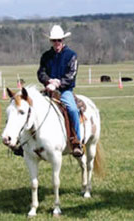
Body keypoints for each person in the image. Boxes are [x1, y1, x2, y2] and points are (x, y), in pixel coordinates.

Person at [37, 25, 83, 157]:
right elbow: (41, 72)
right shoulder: (46, 56)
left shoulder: (71, 55)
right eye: (54, 40)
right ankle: (26, 144)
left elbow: (71, 74)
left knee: (72, 109)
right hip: (49, 88)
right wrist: (48, 81)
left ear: (63, 40)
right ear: (51, 41)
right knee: (30, 106)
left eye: (59, 40)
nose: (56, 43)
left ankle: (76, 141)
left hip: (65, 90)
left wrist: (58, 83)